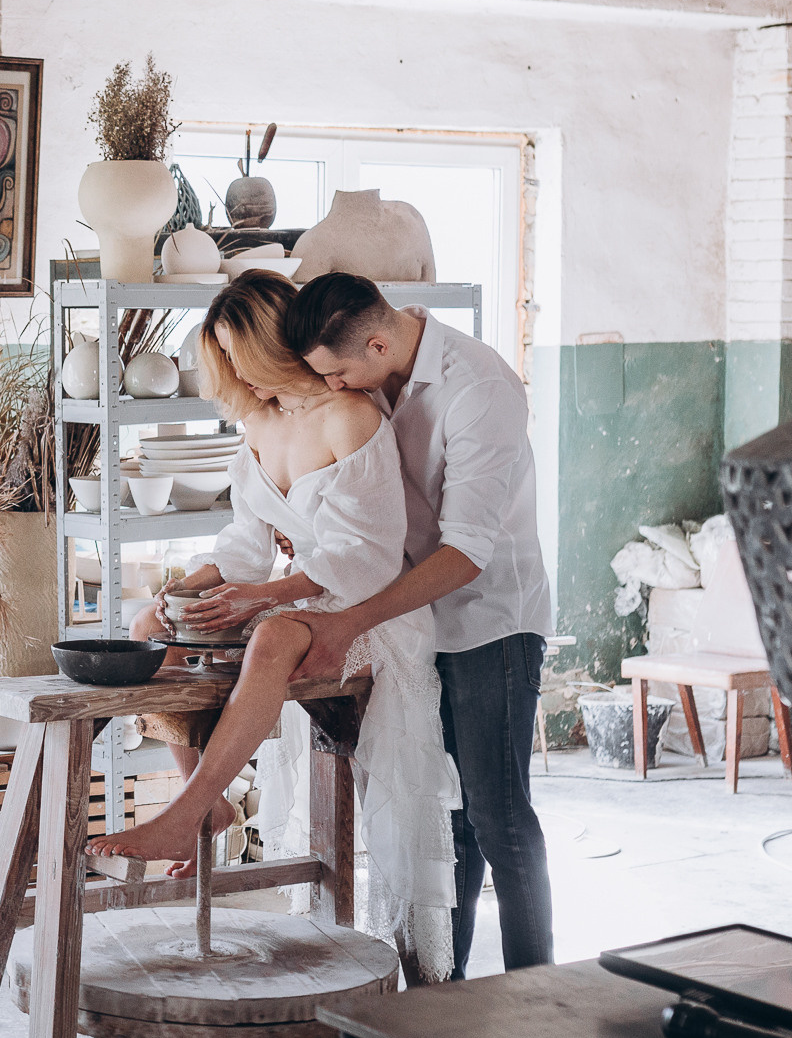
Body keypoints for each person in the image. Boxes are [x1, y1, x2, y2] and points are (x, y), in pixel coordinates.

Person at [88, 271, 462, 979]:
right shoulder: (257, 427)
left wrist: (263, 595)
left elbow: (367, 554)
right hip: (288, 595)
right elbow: (244, 544)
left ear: (270, 344)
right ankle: (208, 801)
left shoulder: (350, 416)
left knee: (272, 634)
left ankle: (187, 809)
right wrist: (194, 586)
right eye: (223, 360)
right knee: (146, 622)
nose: (234, 376)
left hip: (366, 609)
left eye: (239, 357)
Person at [281, 272, 554, 978]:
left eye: (338, 372)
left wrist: (350, 621)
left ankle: (540, 992)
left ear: (378, 341)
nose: (333, 387)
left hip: (493, 619)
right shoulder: (372, 378)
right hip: (418, 618)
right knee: (449, 816)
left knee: (497, 814)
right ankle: (447, 993)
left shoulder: (480, 388)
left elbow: (465, 553)